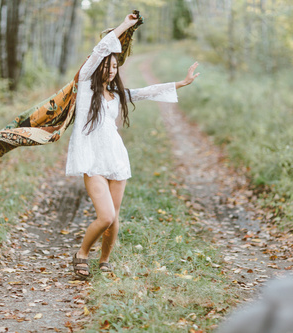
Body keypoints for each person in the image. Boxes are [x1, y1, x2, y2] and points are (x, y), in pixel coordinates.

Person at [66, 13, 200, 279]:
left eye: (115, 66)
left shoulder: (117, 95)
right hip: (92, 158)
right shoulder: (84, 88)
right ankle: (81, 253)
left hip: (115, 157)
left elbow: (148, 91)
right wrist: (125, 26)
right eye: (107, 65)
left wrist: (181, 83)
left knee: (114, 218)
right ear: (97, 67)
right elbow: (101, 49)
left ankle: (104, 261)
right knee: (104, 216)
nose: (111, 69)